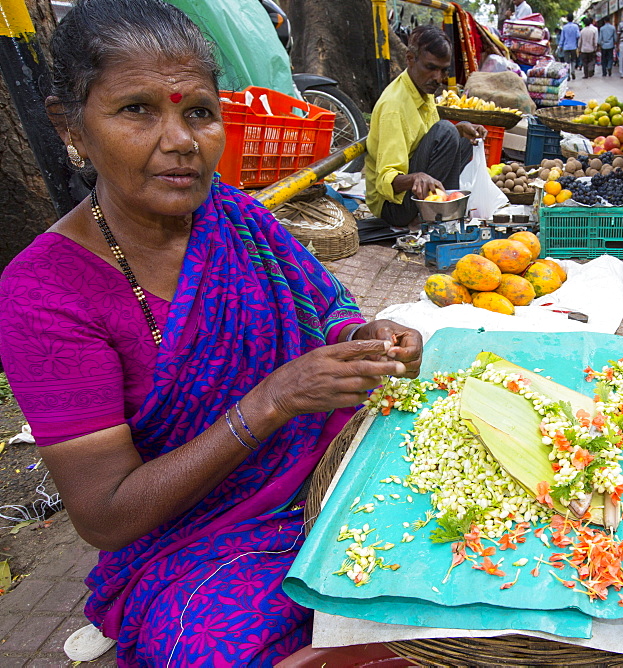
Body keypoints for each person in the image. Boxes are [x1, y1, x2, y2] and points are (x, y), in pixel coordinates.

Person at [0, 0, 423, 664]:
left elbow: (329, 313)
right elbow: (107, 512)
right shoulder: (45, 293)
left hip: (326, 477)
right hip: (197, 538)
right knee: (214, 648)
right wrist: (271, 402)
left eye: (198, 111)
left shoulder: (233, 216)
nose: (181, 140)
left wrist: (372, 337)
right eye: (137, 110)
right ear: (72, 127)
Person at [365, 26, 487, 229]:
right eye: (430, 67)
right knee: (447, 131)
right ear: (410, 59)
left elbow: (428, 140)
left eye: (443, 70)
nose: (438, 78)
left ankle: (446, 209)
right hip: (393, 208)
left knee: (462, 139)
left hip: (412, 194)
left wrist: (460, 130)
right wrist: (417, 177)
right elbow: (386, 181)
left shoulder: (423, 90)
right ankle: (438, 213)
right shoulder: (394, 106)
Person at [557, 13, 580, 79]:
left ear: (567, 19)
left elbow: (562, 38)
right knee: (573, 60)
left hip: (566, 47)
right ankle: (573, 71)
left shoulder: (564, 27)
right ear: (572, 19)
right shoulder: (576, 26)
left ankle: (568, 74)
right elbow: (578, 36)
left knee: (567, 61)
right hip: (573, 47)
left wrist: (560, 46)